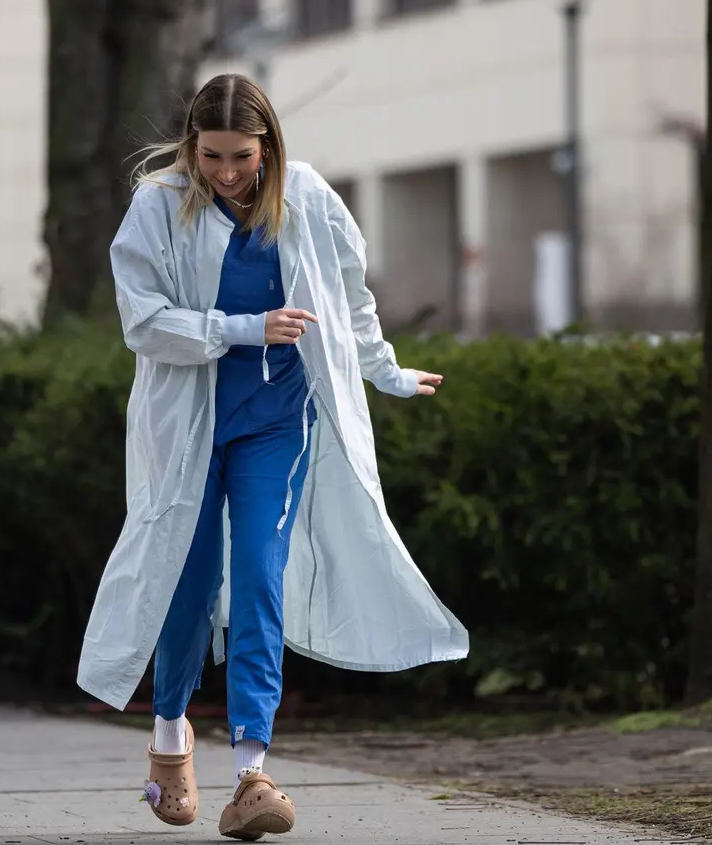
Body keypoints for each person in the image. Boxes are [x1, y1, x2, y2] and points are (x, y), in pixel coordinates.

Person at [78, 73, 470, 840]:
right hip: (187, 430)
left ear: (270, 148)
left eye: (243, 158)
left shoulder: (311, 200)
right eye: (212, 155)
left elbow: (348, 294)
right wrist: (245, 328)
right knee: (185, 588)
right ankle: (168, 740)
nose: (227, 173)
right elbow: (145, 324)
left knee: (260, 577)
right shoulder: (158, 206)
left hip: (275, 429)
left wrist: (386, 370)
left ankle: (253, 773)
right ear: (191, 146)